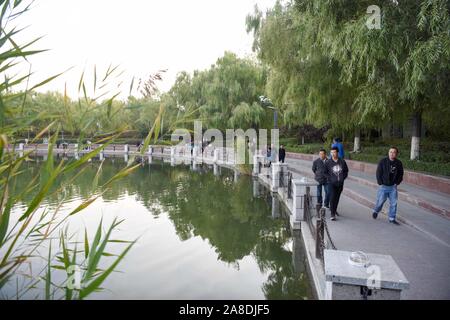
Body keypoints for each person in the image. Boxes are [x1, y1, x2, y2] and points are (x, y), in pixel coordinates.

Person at [372, 146, 404, 225]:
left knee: (394, 203)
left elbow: (401, 174)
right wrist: (380, 182)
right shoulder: (383, 161)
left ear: (396, 154)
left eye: (394, 152)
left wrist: (397, 183)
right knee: (380, 202)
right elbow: (378, 172)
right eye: (390, 152)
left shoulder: (399, 163)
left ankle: (392, 218)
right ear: (388, 153)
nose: (392, 154)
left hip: (393, 187)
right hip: (383, 186)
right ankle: (376, 211)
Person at [324, 146, 349, 221]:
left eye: (334, 152)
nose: (333, 154)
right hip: (331, 183)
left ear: (337, 153)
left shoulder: (342, 161)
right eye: (331, 152)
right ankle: (332, 214)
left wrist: (342, 178)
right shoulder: (328, 162)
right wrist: (330, 178)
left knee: (337, 198)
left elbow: (346, 171)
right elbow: (325, 172)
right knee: (332, 197)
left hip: (340, 183)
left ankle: (334, 210)